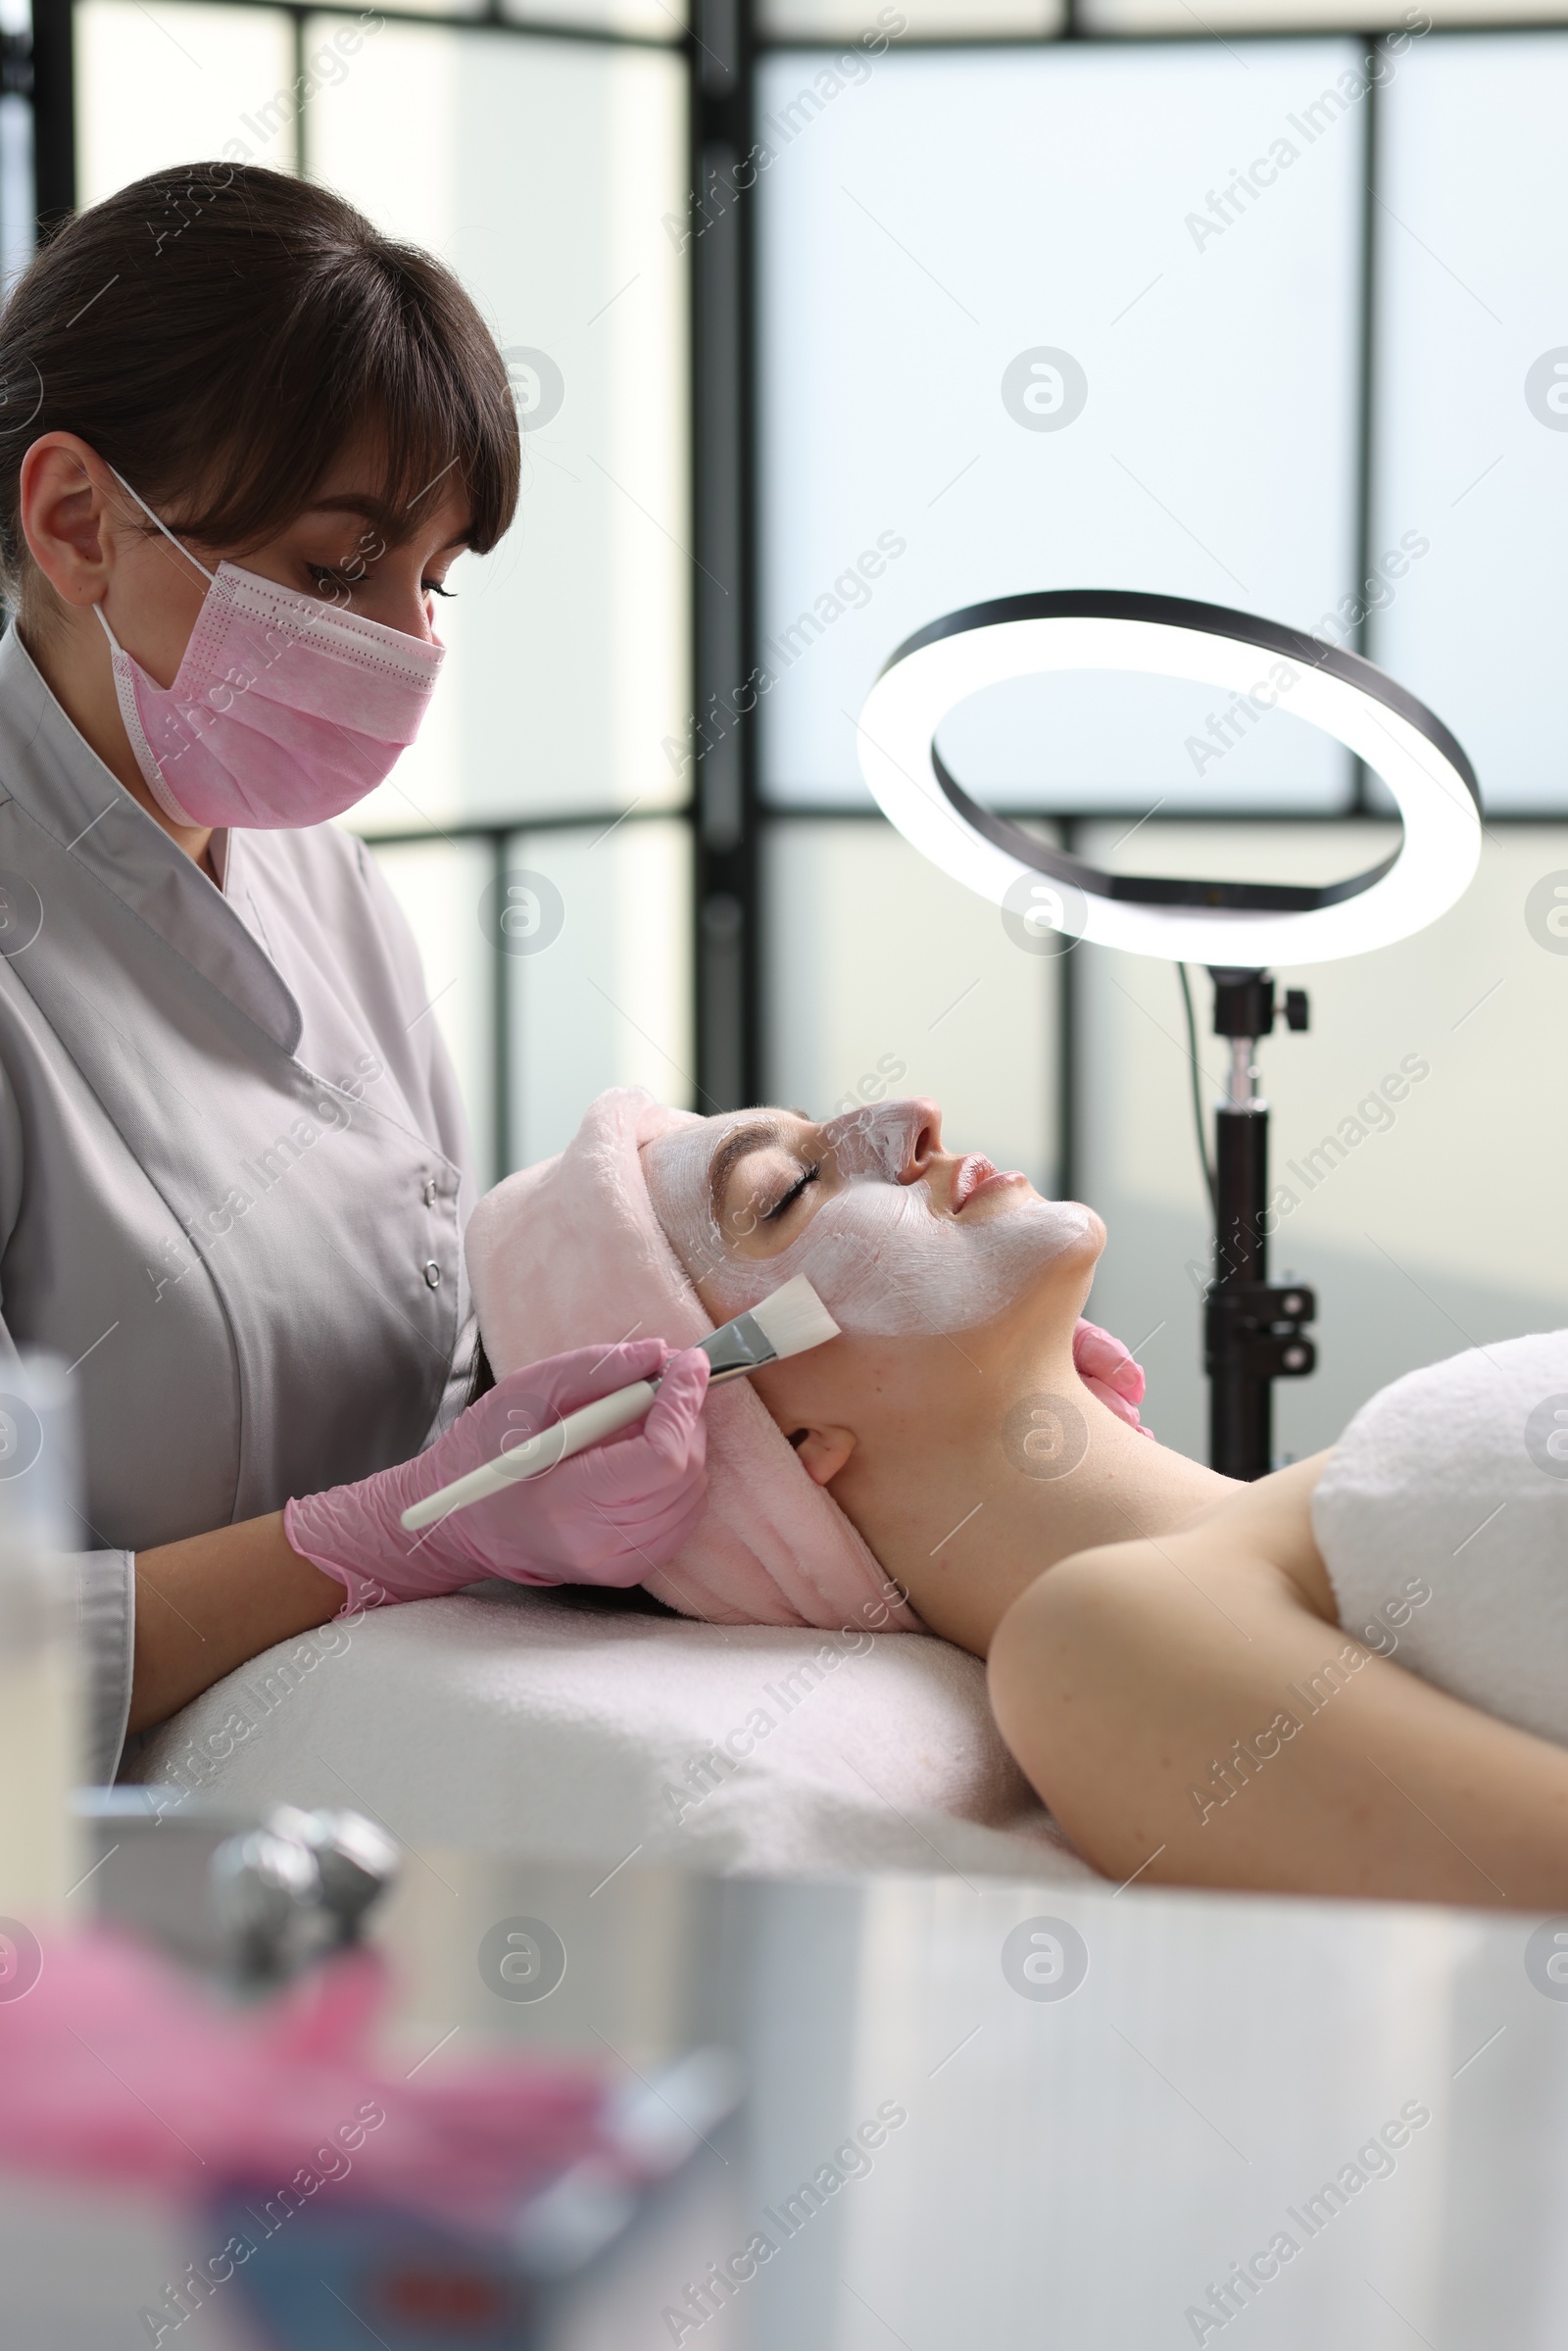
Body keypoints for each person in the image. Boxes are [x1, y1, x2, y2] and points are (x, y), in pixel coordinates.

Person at [0, 163, 711, 1783]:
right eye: (337, 571)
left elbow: (426, 1328)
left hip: (383, 1764)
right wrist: (395, 1529)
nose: (407, 643)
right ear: (77, 519)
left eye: (434, 579)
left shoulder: (315, 873)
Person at [470, 1085, 1568, 1907]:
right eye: (791, 1189)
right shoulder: (1102, 1644)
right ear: (778, 1440)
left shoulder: (1308, 1515)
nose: (906, 1114)